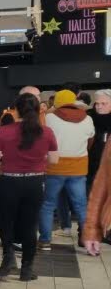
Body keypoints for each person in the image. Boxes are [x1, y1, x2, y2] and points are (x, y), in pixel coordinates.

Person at [0, 93, 58, 279]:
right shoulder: (47, 132)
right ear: (37, 109)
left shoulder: (4, 131)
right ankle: (27, 268)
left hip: (9, 181)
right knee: (30, 223)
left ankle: (8, 257)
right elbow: (54, 160)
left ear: (16, 110)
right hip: (35, 182)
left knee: (6, 220)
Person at [40, 89, 95, 247]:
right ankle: (87, 241)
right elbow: (90, 140)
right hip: (78, 167)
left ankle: (44, 241)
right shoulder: (88, 119)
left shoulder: (49, 117)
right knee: (81, 206)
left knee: (48, 204)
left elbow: (43, 138)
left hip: (54, 167)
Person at [88, 89, 111, 193]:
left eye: (103, 103)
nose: (99, 106)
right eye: (97, 103)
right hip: (91, 164)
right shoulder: (88, 118)